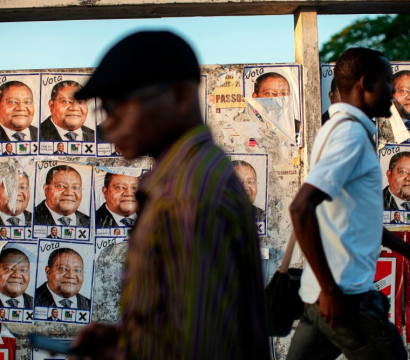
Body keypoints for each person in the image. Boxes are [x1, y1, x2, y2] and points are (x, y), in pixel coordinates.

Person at [71, 31, 270, 360]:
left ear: (179, 96)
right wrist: (126, 342)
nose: (107, 124)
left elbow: (198, 346)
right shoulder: (187, 176)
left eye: (118, 105)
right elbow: (185, 317)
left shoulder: (187, 193)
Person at [288, 47, 410, 360]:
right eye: (388, 84)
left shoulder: (337, 129)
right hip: (345, 297)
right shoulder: (350, 135)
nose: (392, 94)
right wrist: (331, 290)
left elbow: (353, 215)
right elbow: (301, 208)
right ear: (365, 84)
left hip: (322, 297)